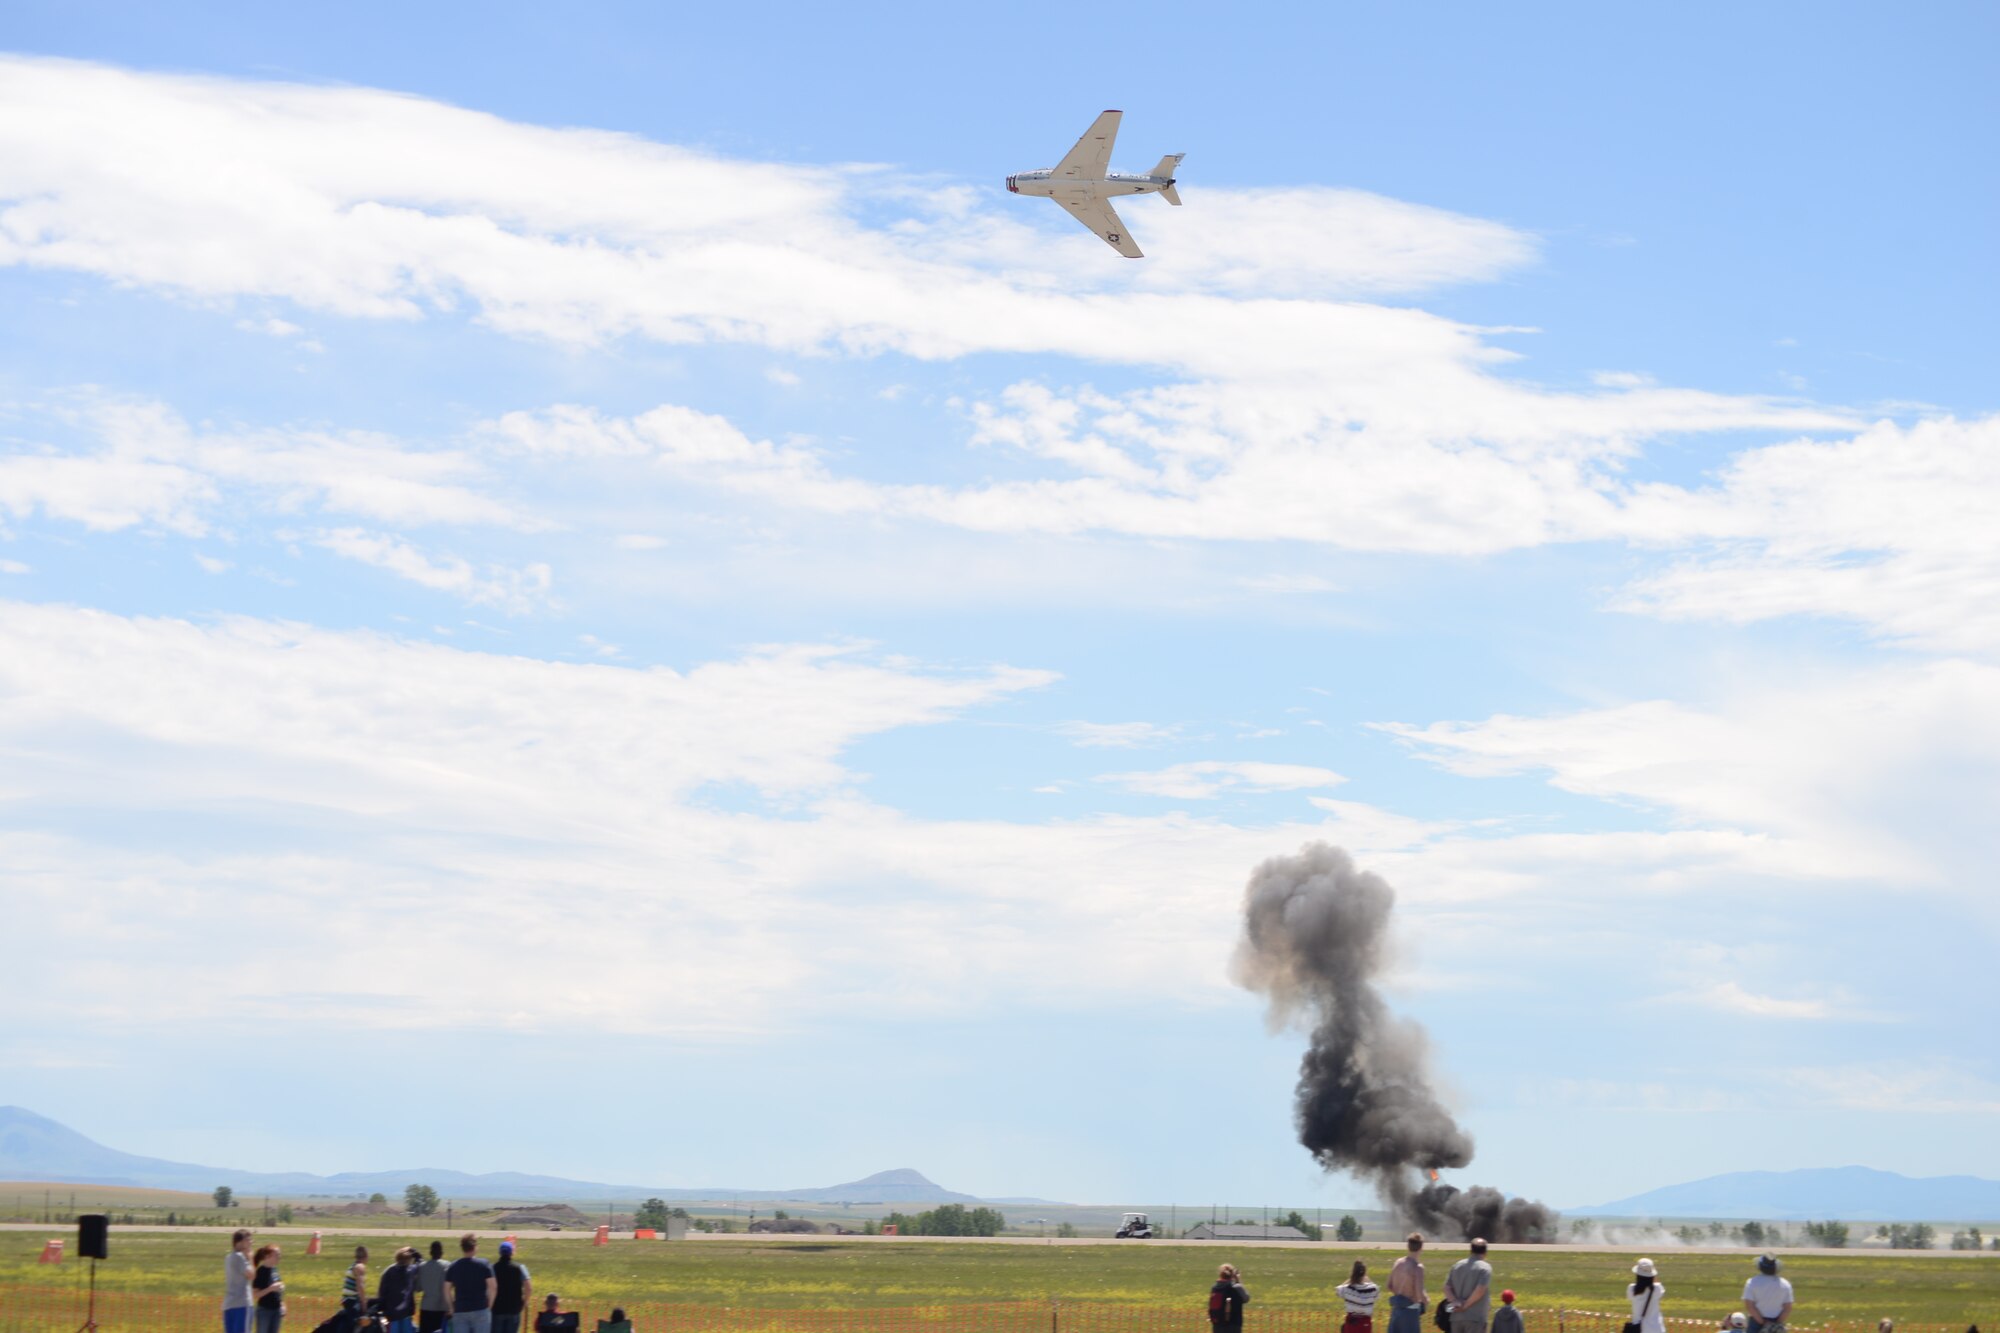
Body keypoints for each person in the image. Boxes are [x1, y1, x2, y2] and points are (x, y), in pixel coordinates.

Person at [445, 1232, 498, 1333]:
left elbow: (446, 1288)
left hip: (460, 1309)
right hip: (480, 1308)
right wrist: (489, 1306)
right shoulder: (484, 1264)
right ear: (475, 1247)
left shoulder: (454, 1266)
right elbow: (493, 1287)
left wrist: (452, 1307)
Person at [1444, 1239, 1493, 1333]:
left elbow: (1446, 1288)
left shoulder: (1457, 1266)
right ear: (1485, 1252)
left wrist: (1455, 1302)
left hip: (1456, 1318)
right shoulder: (1485, 1268)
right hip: (1475, 1317)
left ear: (1471, 1251)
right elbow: (1480, 1290)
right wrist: (1465, 1306)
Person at [1742, 1255, 1793, 1333]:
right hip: (1777, 1322)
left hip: (1756, 1322)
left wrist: (1763, 1323)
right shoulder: (1785, 1284)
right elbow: (1788, 1308)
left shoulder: (1752, 1282)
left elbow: (1750, 1306)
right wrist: (1776, 1323)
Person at [1388, 1234, 1428, 1333]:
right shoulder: (1417, 1267)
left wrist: (1400, 1295)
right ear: (1421, 1248)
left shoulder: (1398, 1263)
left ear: (1408, 1246)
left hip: (1396, 1309)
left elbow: (1389, 1285)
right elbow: (1419, 1293)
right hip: (1410, 1311)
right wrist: (1426, 1300)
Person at [492, 1241, 533, 1333]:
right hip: (514, 1309)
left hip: (497, 1309)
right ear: (512, 1252)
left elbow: (489, 1288)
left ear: (500, 1252)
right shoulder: (520, 1268)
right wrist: (524, 1303)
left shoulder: (493, 1268)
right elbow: (529, 1288)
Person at [378, 1247, 419, 1333]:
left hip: (392, 1311)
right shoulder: (410, 1270)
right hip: (406, 1311)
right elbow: (420, 1265)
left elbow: (382, 1291)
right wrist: (417, 1255)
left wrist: (382, 1307)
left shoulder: (388, 1271)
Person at [225, 1229, 256, 1333]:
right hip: (242, 1303)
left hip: (229, 1304)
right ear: (240, 1242)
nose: (251, 1242)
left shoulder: (229, 1257)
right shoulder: (240, 1257)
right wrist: (251, 1258)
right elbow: (251, 1275)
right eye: (248, 1240)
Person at [417, 1240, 451, 1333]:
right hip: (442, 1307)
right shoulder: (447, 1265)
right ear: (441, 1253)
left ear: (430, 1252)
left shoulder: (422, 1267)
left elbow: (418, 1288)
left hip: (426, 1306)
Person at [1337, 1260, 1380, 1333]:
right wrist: (1366, 1277)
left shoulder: (1348, 1289)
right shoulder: (1373, 1289)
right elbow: (1377, 1293)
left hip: (1352, 1323)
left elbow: (1338, 1290)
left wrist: (1351, 1279)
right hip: (1365, 1324)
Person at [251, 1243, 286, 1333]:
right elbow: (255, 1294)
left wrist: (282, 1304)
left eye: (279, 1255)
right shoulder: (260, 1272)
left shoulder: (274, 1269)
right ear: (268, 1256)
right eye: (276, 1255)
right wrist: (270, 1289)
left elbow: (277, 1290)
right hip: (264, 1310)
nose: (279, 1257)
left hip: (276, 1309)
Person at [1210, 1264, 1250, 1333]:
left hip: (1217, 1323)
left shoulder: (1215, 1288)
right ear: (1232, 1274)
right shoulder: (1236, 1287)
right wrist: (1238, 1280)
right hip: (1233, 1323)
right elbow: (1246, 1298)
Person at [1628, 1260, 1666, 1333]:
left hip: (1639, 1328)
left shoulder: (1631, 1288)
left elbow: (1630, 1297)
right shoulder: (1657, 1288)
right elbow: (1658, 1285)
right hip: (1656, 1328)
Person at [343, 1246, 370, 1317]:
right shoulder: (360, 1267)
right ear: (366, 1256)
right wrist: (364, 1305)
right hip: (353, 1301)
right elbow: (360, 1287)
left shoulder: (352, 1266)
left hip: (346, 1299)